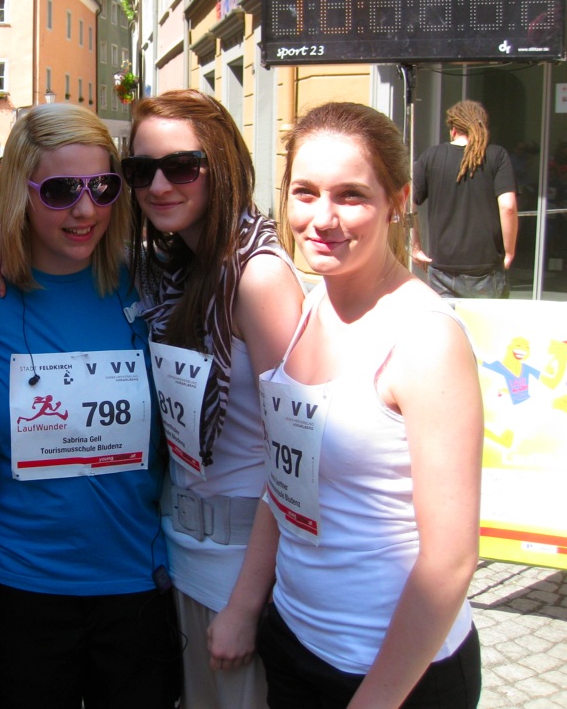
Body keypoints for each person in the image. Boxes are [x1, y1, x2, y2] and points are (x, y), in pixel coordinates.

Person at [219, 101, 483, 708]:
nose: (323, 218)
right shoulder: (313, 303)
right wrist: (244, 606)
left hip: (393, 676)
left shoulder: (426, 338)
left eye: (352, 196)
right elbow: (285, 482)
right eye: (306, 192)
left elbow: (451, 560)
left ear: (397, 201)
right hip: (294, 643)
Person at [0, 103, 180, 709]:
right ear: (19, 193)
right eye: (59, 191)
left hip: (137, 584)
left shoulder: (150, 284)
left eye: (103, 187)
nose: (85, 210)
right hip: (17, 587)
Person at [121, 89, 304, 709]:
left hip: (239, 576)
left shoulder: (258, 277)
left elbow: (294, 462)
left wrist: (246, 606)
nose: (159, 185)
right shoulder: (178, 269)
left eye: (182, 166)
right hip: (184, 560)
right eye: (141, 169)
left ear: (220, 165)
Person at [411, 99, 518, 299]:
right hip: (486, 270)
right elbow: (508, 207)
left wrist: (415, 247)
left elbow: (406, 203)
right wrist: (509, 252)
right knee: (486, 321)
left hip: (442, 269)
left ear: (453, 129)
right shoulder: (496, 155)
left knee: (447, 320)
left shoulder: (432, 156)